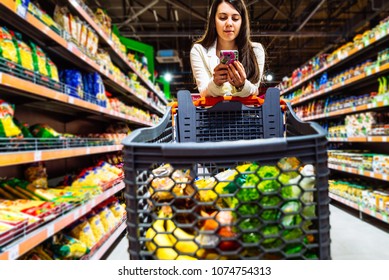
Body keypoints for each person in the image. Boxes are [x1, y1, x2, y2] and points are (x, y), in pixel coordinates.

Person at [190, 0, 265, 98]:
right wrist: (215, 83)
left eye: (235, 18)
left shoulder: (256, 50)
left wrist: (242, 85)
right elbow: (203, 92)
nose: (229, 23)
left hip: (247, 112)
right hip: (212, 113)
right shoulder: (199, 50)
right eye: (222, 17)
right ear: (213, 21)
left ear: (242, 22)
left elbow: (255, 90)